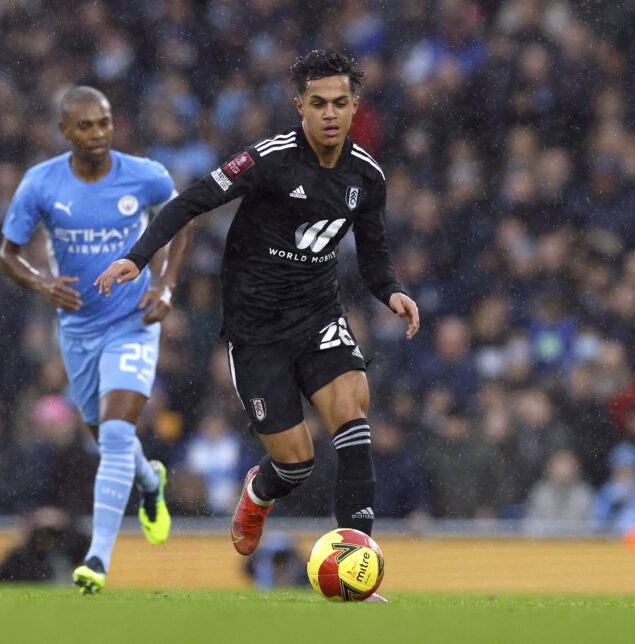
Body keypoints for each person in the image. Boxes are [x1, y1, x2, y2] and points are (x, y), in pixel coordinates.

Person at [96, 50, 419, 602]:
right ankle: (260, 491)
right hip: (256, 331)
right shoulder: (269, 160)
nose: (330, 114)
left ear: (354, 105)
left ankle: (356, 564)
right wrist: (137, 255)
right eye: (318, 103)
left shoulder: (366, 175)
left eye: (341, 102)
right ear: (300, 107)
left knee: (353, 412)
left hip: (319, 317)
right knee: (295, 463)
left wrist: (392, 291)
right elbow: (191, 201)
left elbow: (374, 256)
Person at [0, 85, 193, 594]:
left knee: (112, 437)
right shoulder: (40, 183)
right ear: (65, 131)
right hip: (79, 331)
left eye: (104, 122)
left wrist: (167, 286)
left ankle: (98, 560)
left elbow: (181, 222)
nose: (98, 133)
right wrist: (41, 282)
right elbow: (7, 255)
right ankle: (151, 484)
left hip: (133, 323)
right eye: (85, 125)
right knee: (106, 438)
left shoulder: (146, 175)